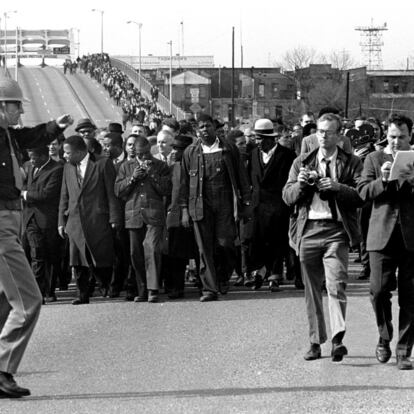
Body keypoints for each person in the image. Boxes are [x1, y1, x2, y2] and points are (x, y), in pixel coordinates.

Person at [0, 75, 73, 398]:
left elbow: (30, 135)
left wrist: (54, 127)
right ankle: (3, 369)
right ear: (2, 107)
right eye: (16, 107)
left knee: (4, 302)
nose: (20, 113)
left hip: (12, 219)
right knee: (28, 301)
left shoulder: (7, 135)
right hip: (1, 223)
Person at [283, 113, 363, 362]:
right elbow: (287, 196)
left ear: (339, 135)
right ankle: (316, 342)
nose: (323, 135)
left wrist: (337, 187)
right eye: (319, 131)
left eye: (328, 131)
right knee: (312, 290)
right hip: (307, 230)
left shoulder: (351, 163)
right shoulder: (301, 162)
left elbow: (362, 195)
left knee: (336, 284)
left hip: (336, 231)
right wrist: (302, 185)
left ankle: (338, 339)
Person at [358, 114, 414, 370]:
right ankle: (384, 336)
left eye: (401, 137)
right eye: (392, 136)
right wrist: (382, 180)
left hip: (411, 237)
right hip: (381, 236)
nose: (395, 142)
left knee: (410, 297)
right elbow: (362, 192)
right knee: (379, 291)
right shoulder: (374, 158)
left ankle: (404, 351)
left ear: (410, 136)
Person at [179, 114, 251, 302]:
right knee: (204, 249)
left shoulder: (228, 148)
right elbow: (184, 184)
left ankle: (222, 277)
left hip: (225, 204)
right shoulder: (190, 152)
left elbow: (242, 178)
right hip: (200, 205)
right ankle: (209, 289)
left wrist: (245, 204)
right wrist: (185, 210)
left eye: (208, 126)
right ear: (197, 131)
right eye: (201, 127)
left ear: (214, 127)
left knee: (225, 244)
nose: (205, 129)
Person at [58, 135, 122, 305]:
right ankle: (82, 294)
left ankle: (106, 284)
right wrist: (61, 221)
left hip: (97, 219)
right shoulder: (67, 168)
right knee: (77, 259)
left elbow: (111, 192)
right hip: (75, 221)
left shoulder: (102, 164)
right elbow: (64, 196)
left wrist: (114, 217)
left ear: (80, 152)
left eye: (67, 153)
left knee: (101, 257)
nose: (65, 156)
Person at [115, 137, 172, 303]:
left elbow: (166, 189)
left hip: (153, 215)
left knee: (152, 249)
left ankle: (153, 289)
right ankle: (142, 289)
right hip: (133, 215)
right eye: (140, 154)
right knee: (136, 254)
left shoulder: (160, 166)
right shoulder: (126, 166)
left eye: (146, 153)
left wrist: (152, 174)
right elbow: (118, 191)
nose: (144, 157)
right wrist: (132, 178)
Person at [245, 119, 296, 291]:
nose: (257, 142)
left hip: (279, 205)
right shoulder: (253, 154)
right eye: (256, 138)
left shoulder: (287, 155)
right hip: (258, 205)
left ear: (270, 138)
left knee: (277, 241)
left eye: (259, 138)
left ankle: (275, 275)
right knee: (257, 240)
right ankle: (260, 272)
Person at [22, 146, 64, 303]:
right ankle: (37, 292)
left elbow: (47, 194)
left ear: (44, 156)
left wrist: (25, 194)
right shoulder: (31, 167)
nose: (32, 161)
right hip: (31, 218)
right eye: (30, 158)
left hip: (48, 219)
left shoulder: (57, 169)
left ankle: (50, 290)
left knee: (52, 256)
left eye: (34, 158)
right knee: (36, 253)